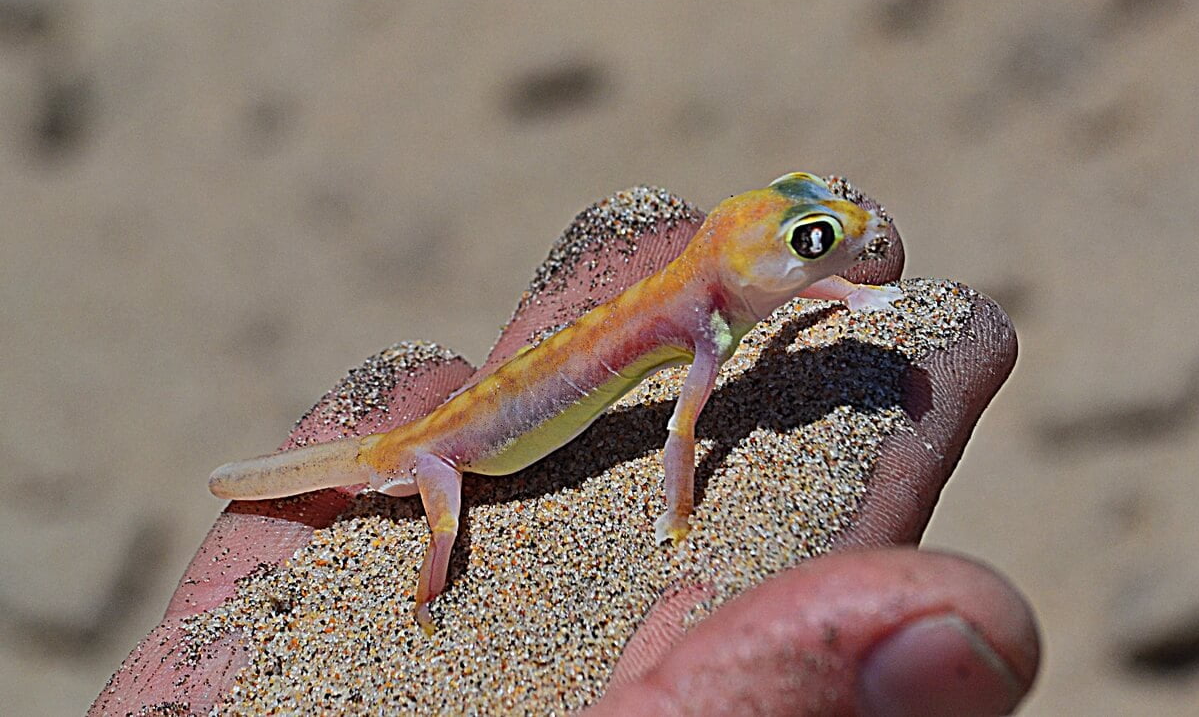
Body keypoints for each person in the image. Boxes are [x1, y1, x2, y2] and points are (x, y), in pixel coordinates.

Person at [92, 185, 1039, 717]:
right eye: (815, 238)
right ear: (734, 255)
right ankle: (427, 603)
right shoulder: (702, 330)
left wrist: (850, 292)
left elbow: (780, 304)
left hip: (449, 432)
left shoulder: (709, 297)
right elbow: (682, 431)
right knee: (433, 507)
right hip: (442, 454)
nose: (837, 247)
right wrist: (676, 517)